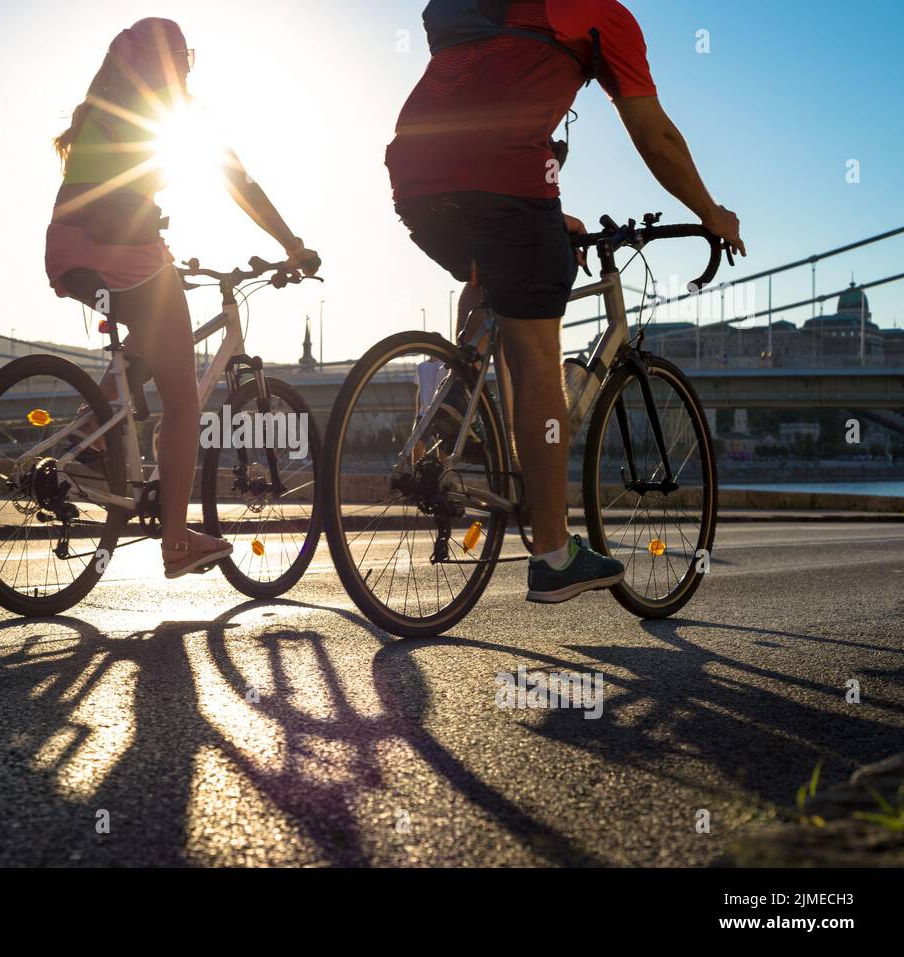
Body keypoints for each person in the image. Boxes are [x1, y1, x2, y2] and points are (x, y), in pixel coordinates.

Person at [385, 0, 745, 604]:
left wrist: (550, 215)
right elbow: (653, 133)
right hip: (503, 181)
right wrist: (711, 213)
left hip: (414, 175)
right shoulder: (604, 14)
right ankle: (553, 552)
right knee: (537, 360)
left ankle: (458, 408)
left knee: (495, 270)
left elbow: (483, 100)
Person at [46, 18, 318, 579]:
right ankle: (175, 541)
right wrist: (292, 245)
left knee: (150, 347)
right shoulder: (180, 113)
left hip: (68, 249)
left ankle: (85, 436)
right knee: (184, 401)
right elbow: (238, 182)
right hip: (126, 252)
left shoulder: (101, 106)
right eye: (183, 59)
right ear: (176, 62)